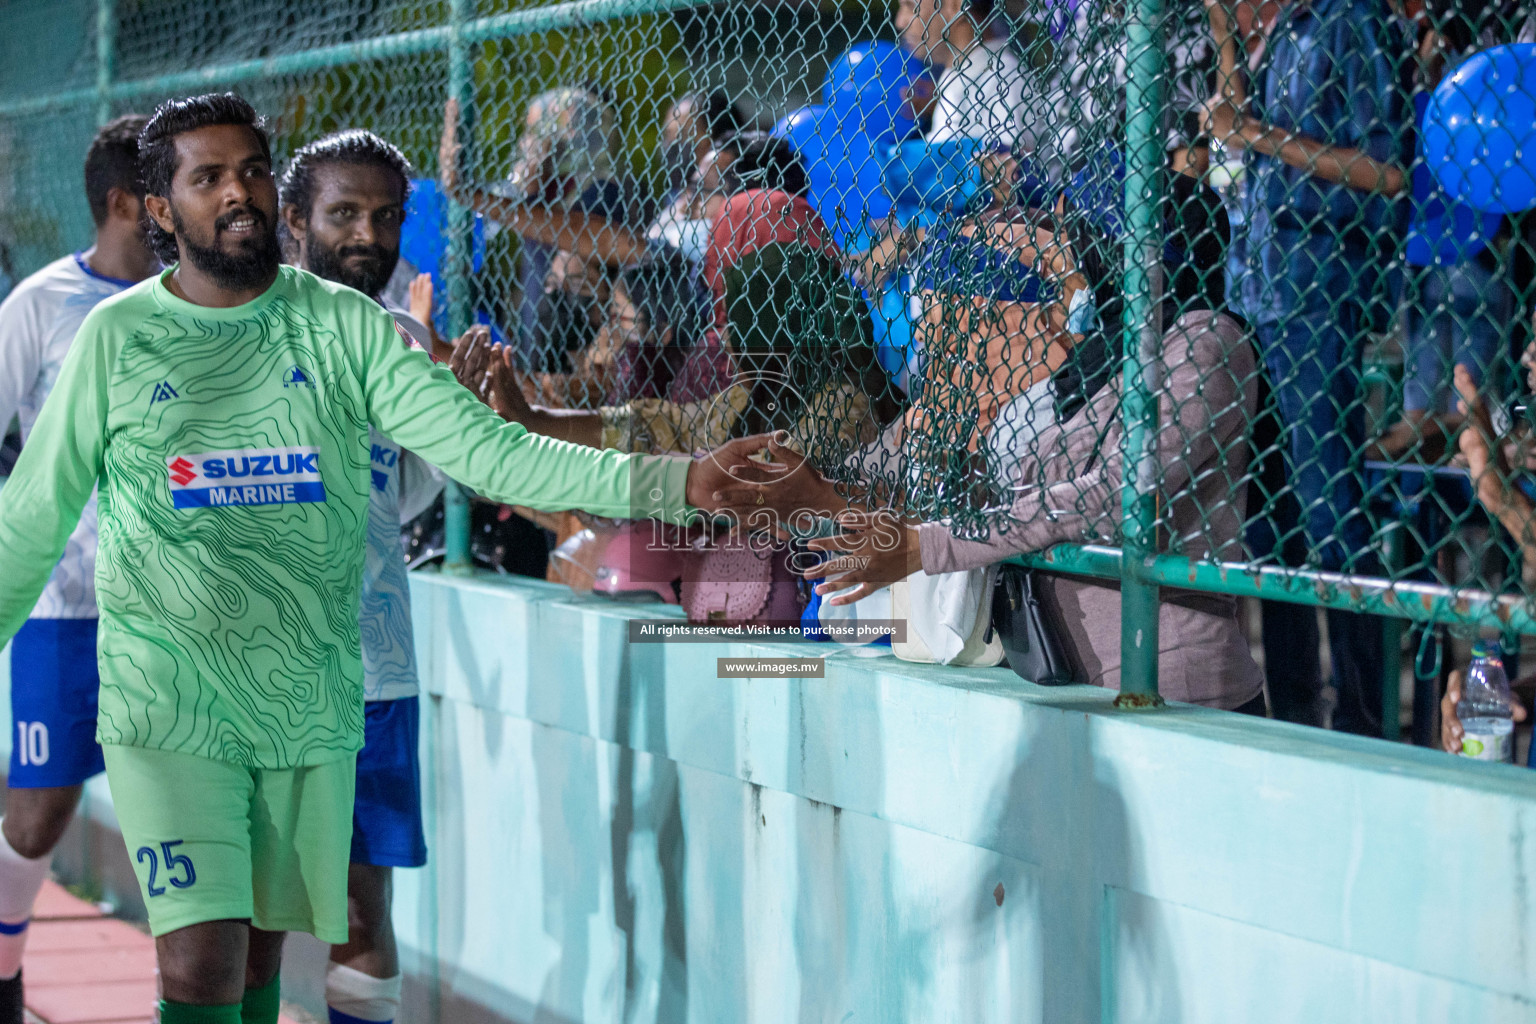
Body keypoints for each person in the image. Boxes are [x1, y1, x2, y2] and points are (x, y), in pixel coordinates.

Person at [0, 92, 737, 1024]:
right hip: (167, 706)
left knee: (259, 959)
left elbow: (491, 452)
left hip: (309, 707)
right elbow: (29, 519)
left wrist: (682, 483)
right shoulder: (114, 337)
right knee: (198, 965)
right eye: (208, 177)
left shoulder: (348, 328)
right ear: (157, 208)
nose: (239, 193)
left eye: (253, 170)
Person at [1203, 0, 1411, 734]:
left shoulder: (1347, 22)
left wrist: (1258, 135)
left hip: (1316, 291)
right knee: (1271, 516)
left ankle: (1365, 715)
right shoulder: (1275, 33)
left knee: (1330, 510)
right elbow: (1234, 142)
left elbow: (1387, 173)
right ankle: (1291, 702)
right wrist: (1228, 40)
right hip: (1255, 291)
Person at [276, 129, 445, 1024]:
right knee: (239, 914)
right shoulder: (230, 328)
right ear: (294, 221)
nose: (367, 235)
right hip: (245, 673)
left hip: (372, 674)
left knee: (359, 905)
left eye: (385, 216)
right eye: (344, 212)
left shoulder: (407, 340)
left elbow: (412, 487)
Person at [0, 114, 158, 1022]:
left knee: (186, 823)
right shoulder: (43, 301)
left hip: (174, 613)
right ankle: (6, 966)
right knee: (39, 814)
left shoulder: (198, 302)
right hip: (62, 606)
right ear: (120, 202)